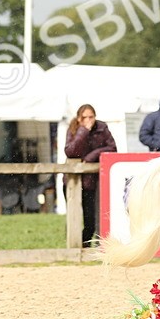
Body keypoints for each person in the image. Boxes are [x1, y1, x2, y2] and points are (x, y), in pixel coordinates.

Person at [65, 104, 118, 247]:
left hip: (93, 180)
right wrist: (83, 131)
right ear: (79, 118)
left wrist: (91, 156)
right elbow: (71, 152)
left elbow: (112, 148)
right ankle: (74, 246)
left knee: (92, 217)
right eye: (85, 117)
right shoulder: (73, 129)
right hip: (73, 181)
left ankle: (88, 244)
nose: (89, 120)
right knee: (74, 216)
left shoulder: (102, 128)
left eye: (91, 117)